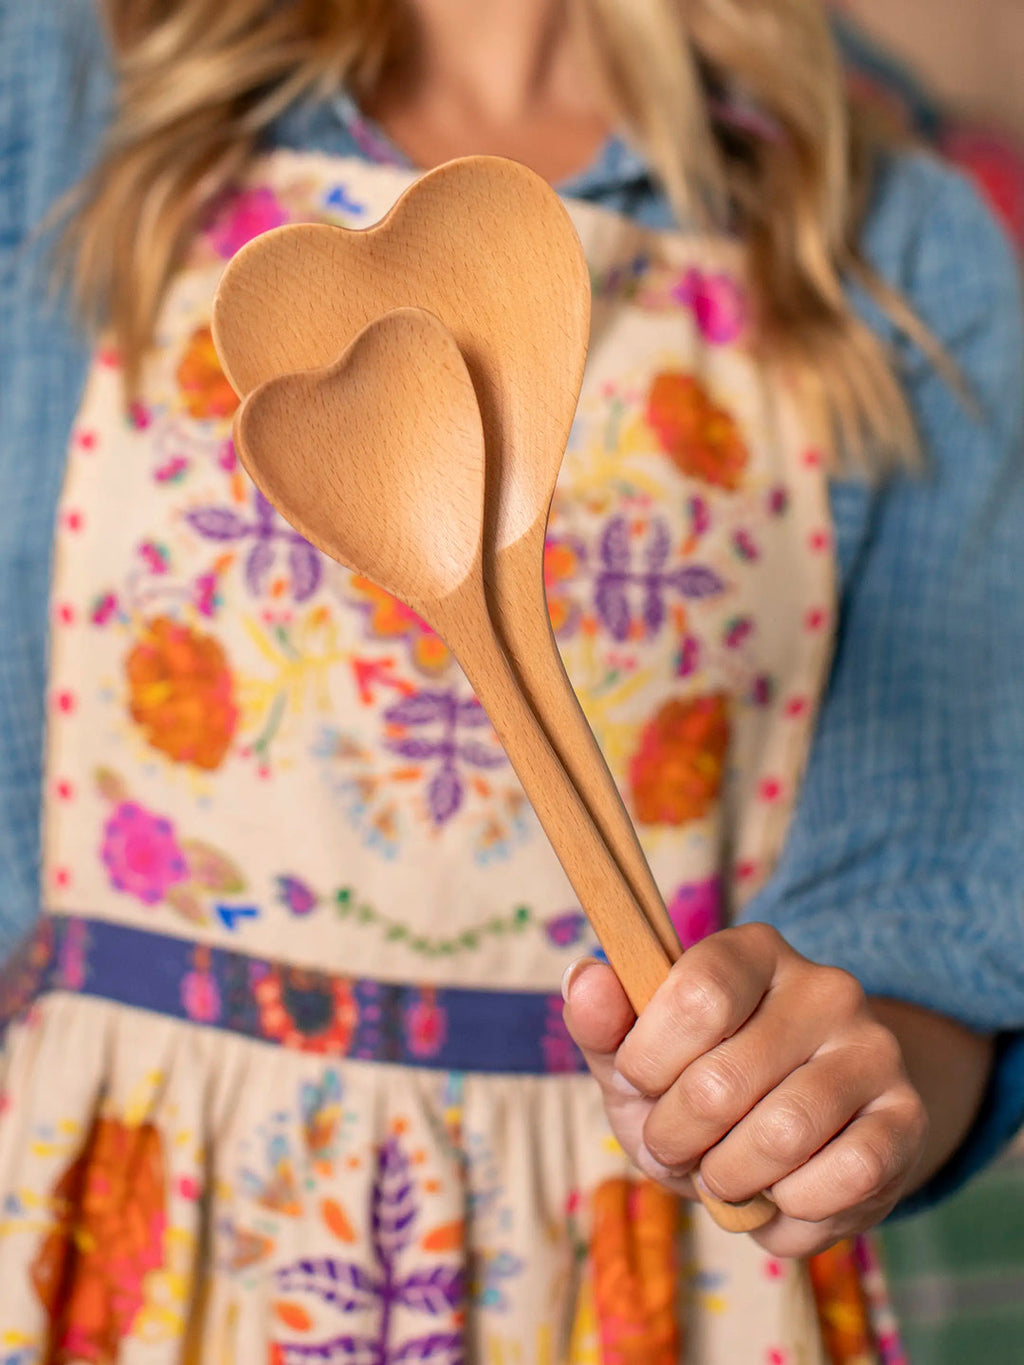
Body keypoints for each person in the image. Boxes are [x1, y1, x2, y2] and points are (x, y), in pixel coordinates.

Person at [1, 0, 1022, 1358]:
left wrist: (832, 1106)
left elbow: (931, 922)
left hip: (655, 1281)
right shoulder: (60, 90)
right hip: (111, 1237)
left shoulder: (894, 234)